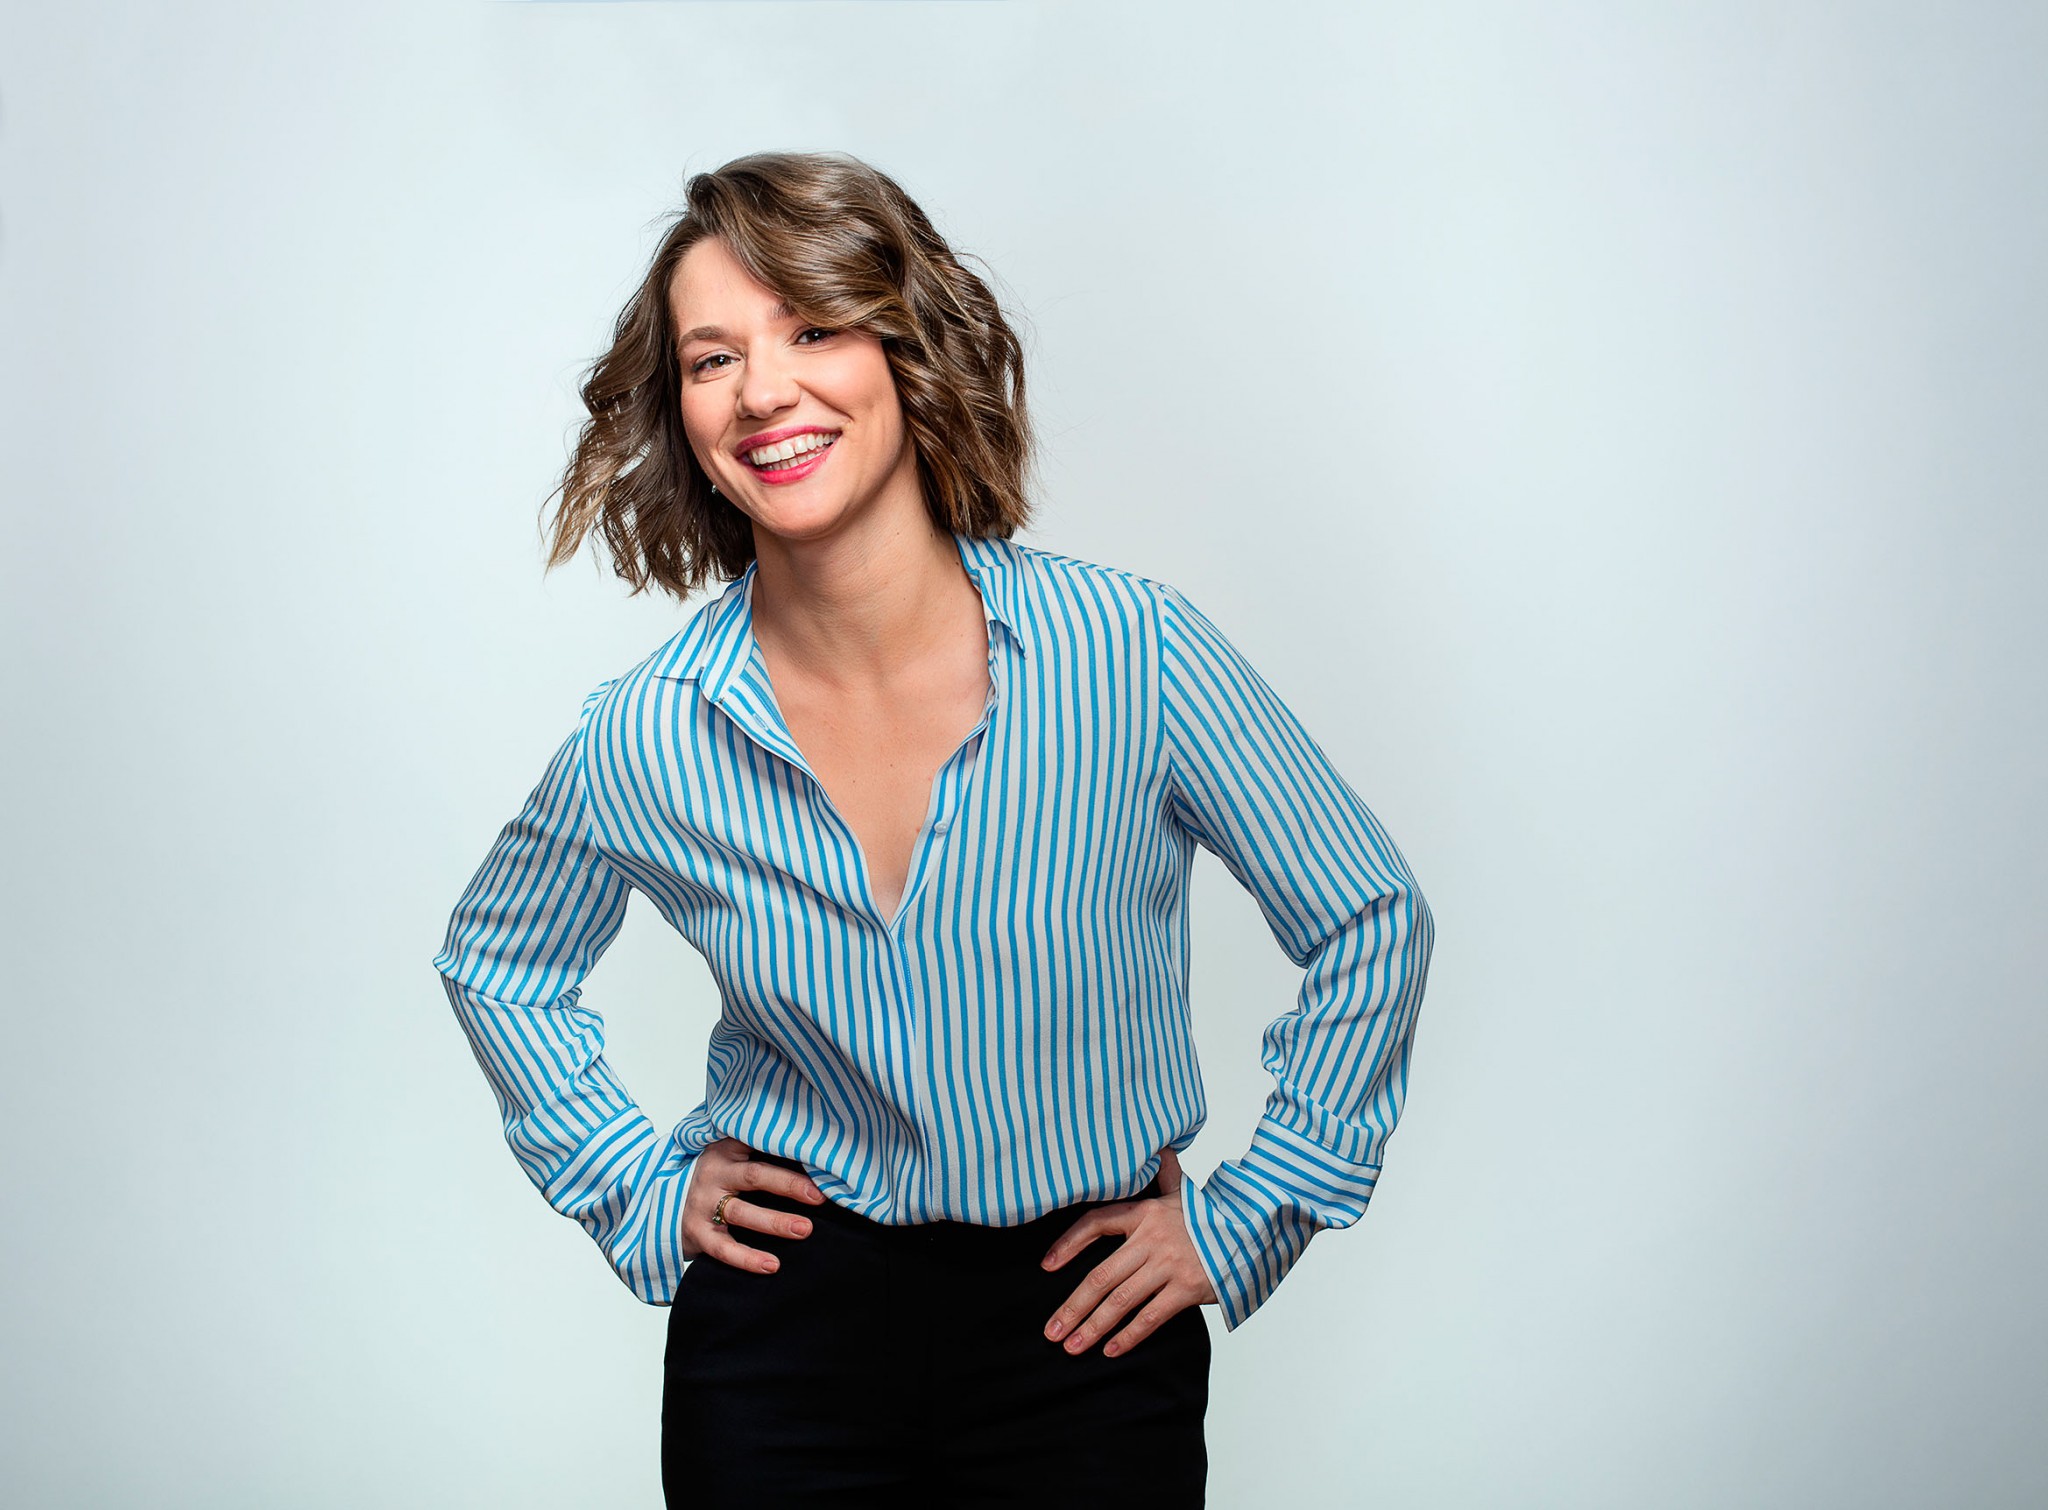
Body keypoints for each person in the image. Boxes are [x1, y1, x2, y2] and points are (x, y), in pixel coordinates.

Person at [430, 151, 1434, 1508]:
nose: (763, 390)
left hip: (1085, 1332)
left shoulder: (1131, 654)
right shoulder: (651, 728)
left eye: (812, 329)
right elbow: (498, 960)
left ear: (907, 350)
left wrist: (1254, 1214)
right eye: (713, 358)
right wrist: (632, 1183)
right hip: (779, 1344)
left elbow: (1368, 915)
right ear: (683, 413)